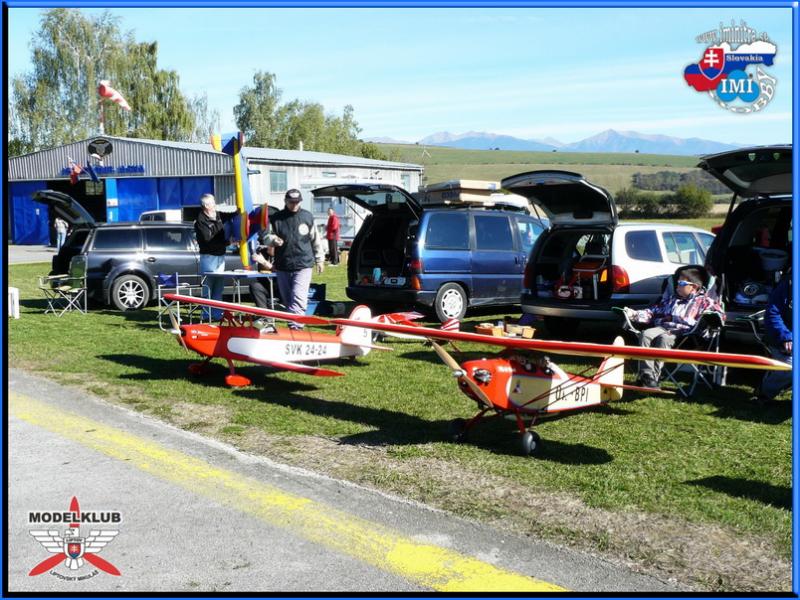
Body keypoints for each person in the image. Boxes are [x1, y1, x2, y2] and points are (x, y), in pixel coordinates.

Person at [622, 267, 723, 389]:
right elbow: (653, 311)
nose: (677, 286)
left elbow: (719, 315)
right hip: (664, 327)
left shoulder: (705, 302)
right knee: (646, 334)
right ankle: (646, 375)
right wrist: (634, 314)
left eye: (681, 283)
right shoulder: (672, 300)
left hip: (686, 335)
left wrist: (676, 317)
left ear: (694, 287)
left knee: (664, 338)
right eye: (677, 283)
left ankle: (655, 377)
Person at [261, 189, 325, 328]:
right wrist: (273, 240)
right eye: (292, 202)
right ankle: (293, 324)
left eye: (297, 202)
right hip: (283, 264)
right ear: (286, 201)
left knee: (298, 296)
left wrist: (320, 259)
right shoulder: (276, 218)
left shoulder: (307, 216)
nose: (295, 205)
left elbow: (316, 239)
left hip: (303, 264)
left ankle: (296, 327)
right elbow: (266, 237)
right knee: (287, 299)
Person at [753, 269, 792, 405]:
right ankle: (764, 392)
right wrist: (786, 337)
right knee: (789, 367)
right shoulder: (787, 285)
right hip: (781, 339)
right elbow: (772, 314)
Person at [194, 193, 227, 319]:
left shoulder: (218, 215)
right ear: (206, 206)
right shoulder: (201, 221)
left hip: (220, 256)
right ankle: (206, 314)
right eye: (213, 203)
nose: (215, 205)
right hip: (208, 257)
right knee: (208, 287)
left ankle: (217, 314)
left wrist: (239, 213)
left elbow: (229, 216)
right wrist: (227, 242)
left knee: (219, 287)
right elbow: (208, 239)